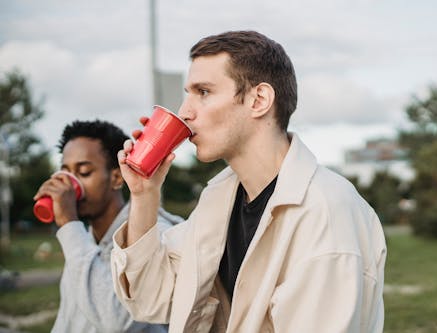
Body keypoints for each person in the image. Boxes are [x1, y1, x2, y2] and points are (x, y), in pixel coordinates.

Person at [111, 30, 387, 332]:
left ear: (258, 100)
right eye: (188, 93)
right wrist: (144, 194)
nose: (184, 112)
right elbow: (151, 299)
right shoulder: (219, 200)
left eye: (203, 92)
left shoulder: (325, 213)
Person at [33, 120, 183, 332]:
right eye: (65, 172)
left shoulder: (155, 233)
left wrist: (69, 224)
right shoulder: (83, 240)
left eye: (83, 172)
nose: (69, 185)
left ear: (117, 178)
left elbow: (117, 322)